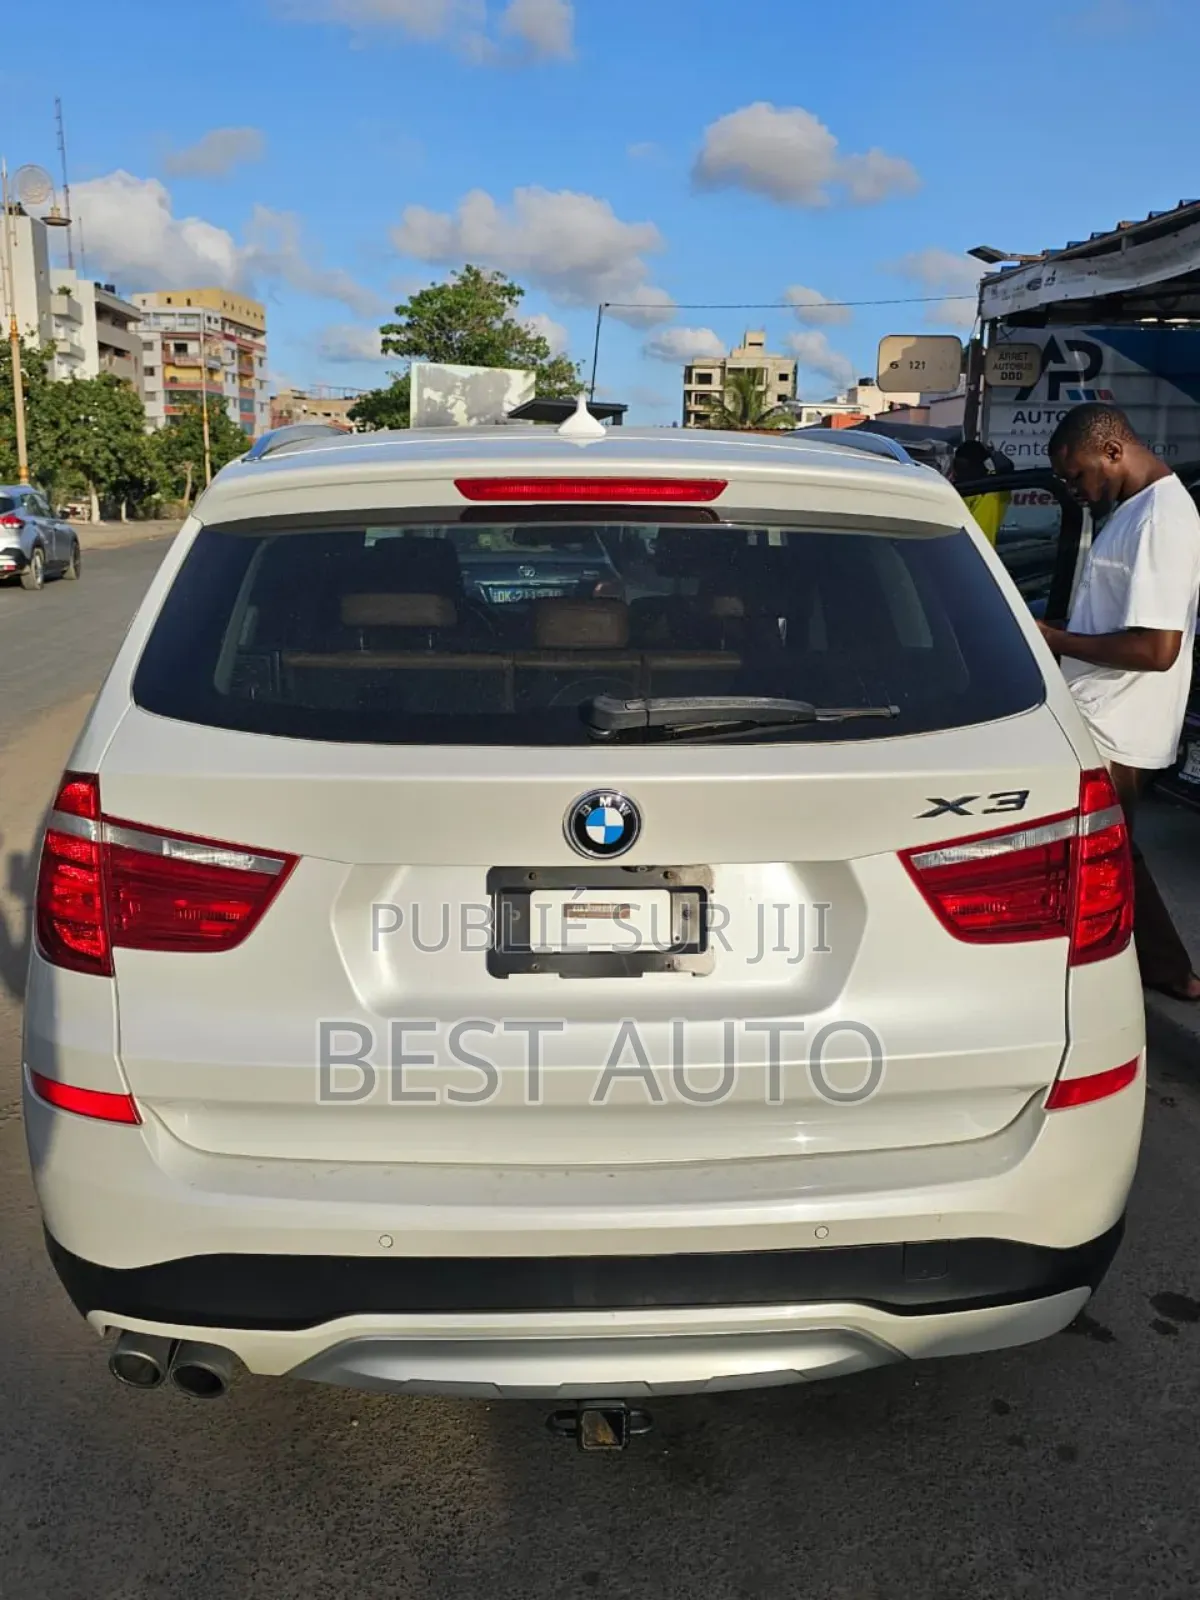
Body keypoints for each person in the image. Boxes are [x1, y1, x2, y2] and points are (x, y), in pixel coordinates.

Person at [1040, 402, 1200, 1002]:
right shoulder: (1133, 511)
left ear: (1112, 451)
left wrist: (1055, 640)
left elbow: (1157, 647)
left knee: (1106, 853)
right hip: (1100, 711)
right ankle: (1160, 969)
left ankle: (1164, 972)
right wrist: (1057, 629)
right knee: (1103, 849)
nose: (1075, 490)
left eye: (1078, 475)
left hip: (1117, 721)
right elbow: (1113, 621)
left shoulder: (1161, 519)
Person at [950, 439, 1011, 545]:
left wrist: (991, 452)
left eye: (961, 465)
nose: (957, 470)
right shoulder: (959, 489)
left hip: (975, 552)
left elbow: (1007, 468)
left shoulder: (994, 490)